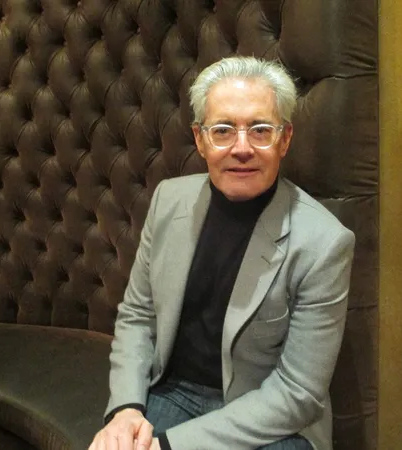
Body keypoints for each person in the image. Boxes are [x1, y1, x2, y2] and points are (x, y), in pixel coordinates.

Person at [88, 56, 355, 450]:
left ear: (284, 139)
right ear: (200, 139)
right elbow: (139, 316)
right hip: (171, 392)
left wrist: (167, 446)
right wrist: (126, 409)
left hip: (266, 414)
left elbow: (297, 393)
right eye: (223, 130)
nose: (242, 148)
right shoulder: (168, 200)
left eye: (260, 130)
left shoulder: (324, 243)